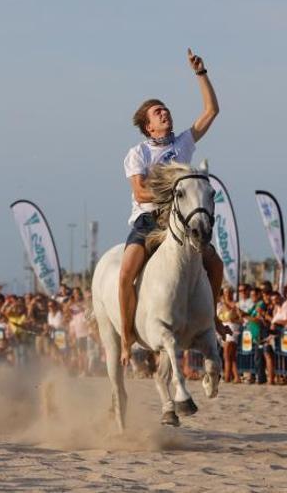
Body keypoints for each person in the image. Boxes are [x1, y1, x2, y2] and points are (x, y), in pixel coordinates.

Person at [118, 48, 222, 365]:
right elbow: (139, 193)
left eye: (166, 110)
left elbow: (211, 111)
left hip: (182, 220)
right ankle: (127, 338)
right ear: (148, 126)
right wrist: (173, 194)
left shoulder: (183, 144)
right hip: (150, 220)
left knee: (215, 264)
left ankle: (211, 320)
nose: (165, 114)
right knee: (124, 274)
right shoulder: (138, 153)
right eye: (158, 113)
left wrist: (201, 73)